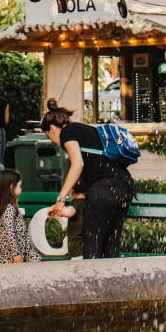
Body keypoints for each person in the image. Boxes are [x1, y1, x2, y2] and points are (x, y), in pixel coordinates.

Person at [43, 99, 135, 259]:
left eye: (50, 138)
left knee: (92, 247)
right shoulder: (84, 131)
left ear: (52, 128)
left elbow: (77, 164)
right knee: (110, 248)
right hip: (123, 187)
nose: (55, 143)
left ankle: (93, 283)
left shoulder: (67, 132)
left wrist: (60, 199)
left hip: (104, 189)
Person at [0, 169, 42, 265]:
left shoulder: (8, 207)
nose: (21, 189)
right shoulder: (8, 209)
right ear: (11, 187)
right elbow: (9, 231)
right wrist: (15, 253)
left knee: (37, 261)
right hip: (11, 254)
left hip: (21, 250)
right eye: (19, 186)